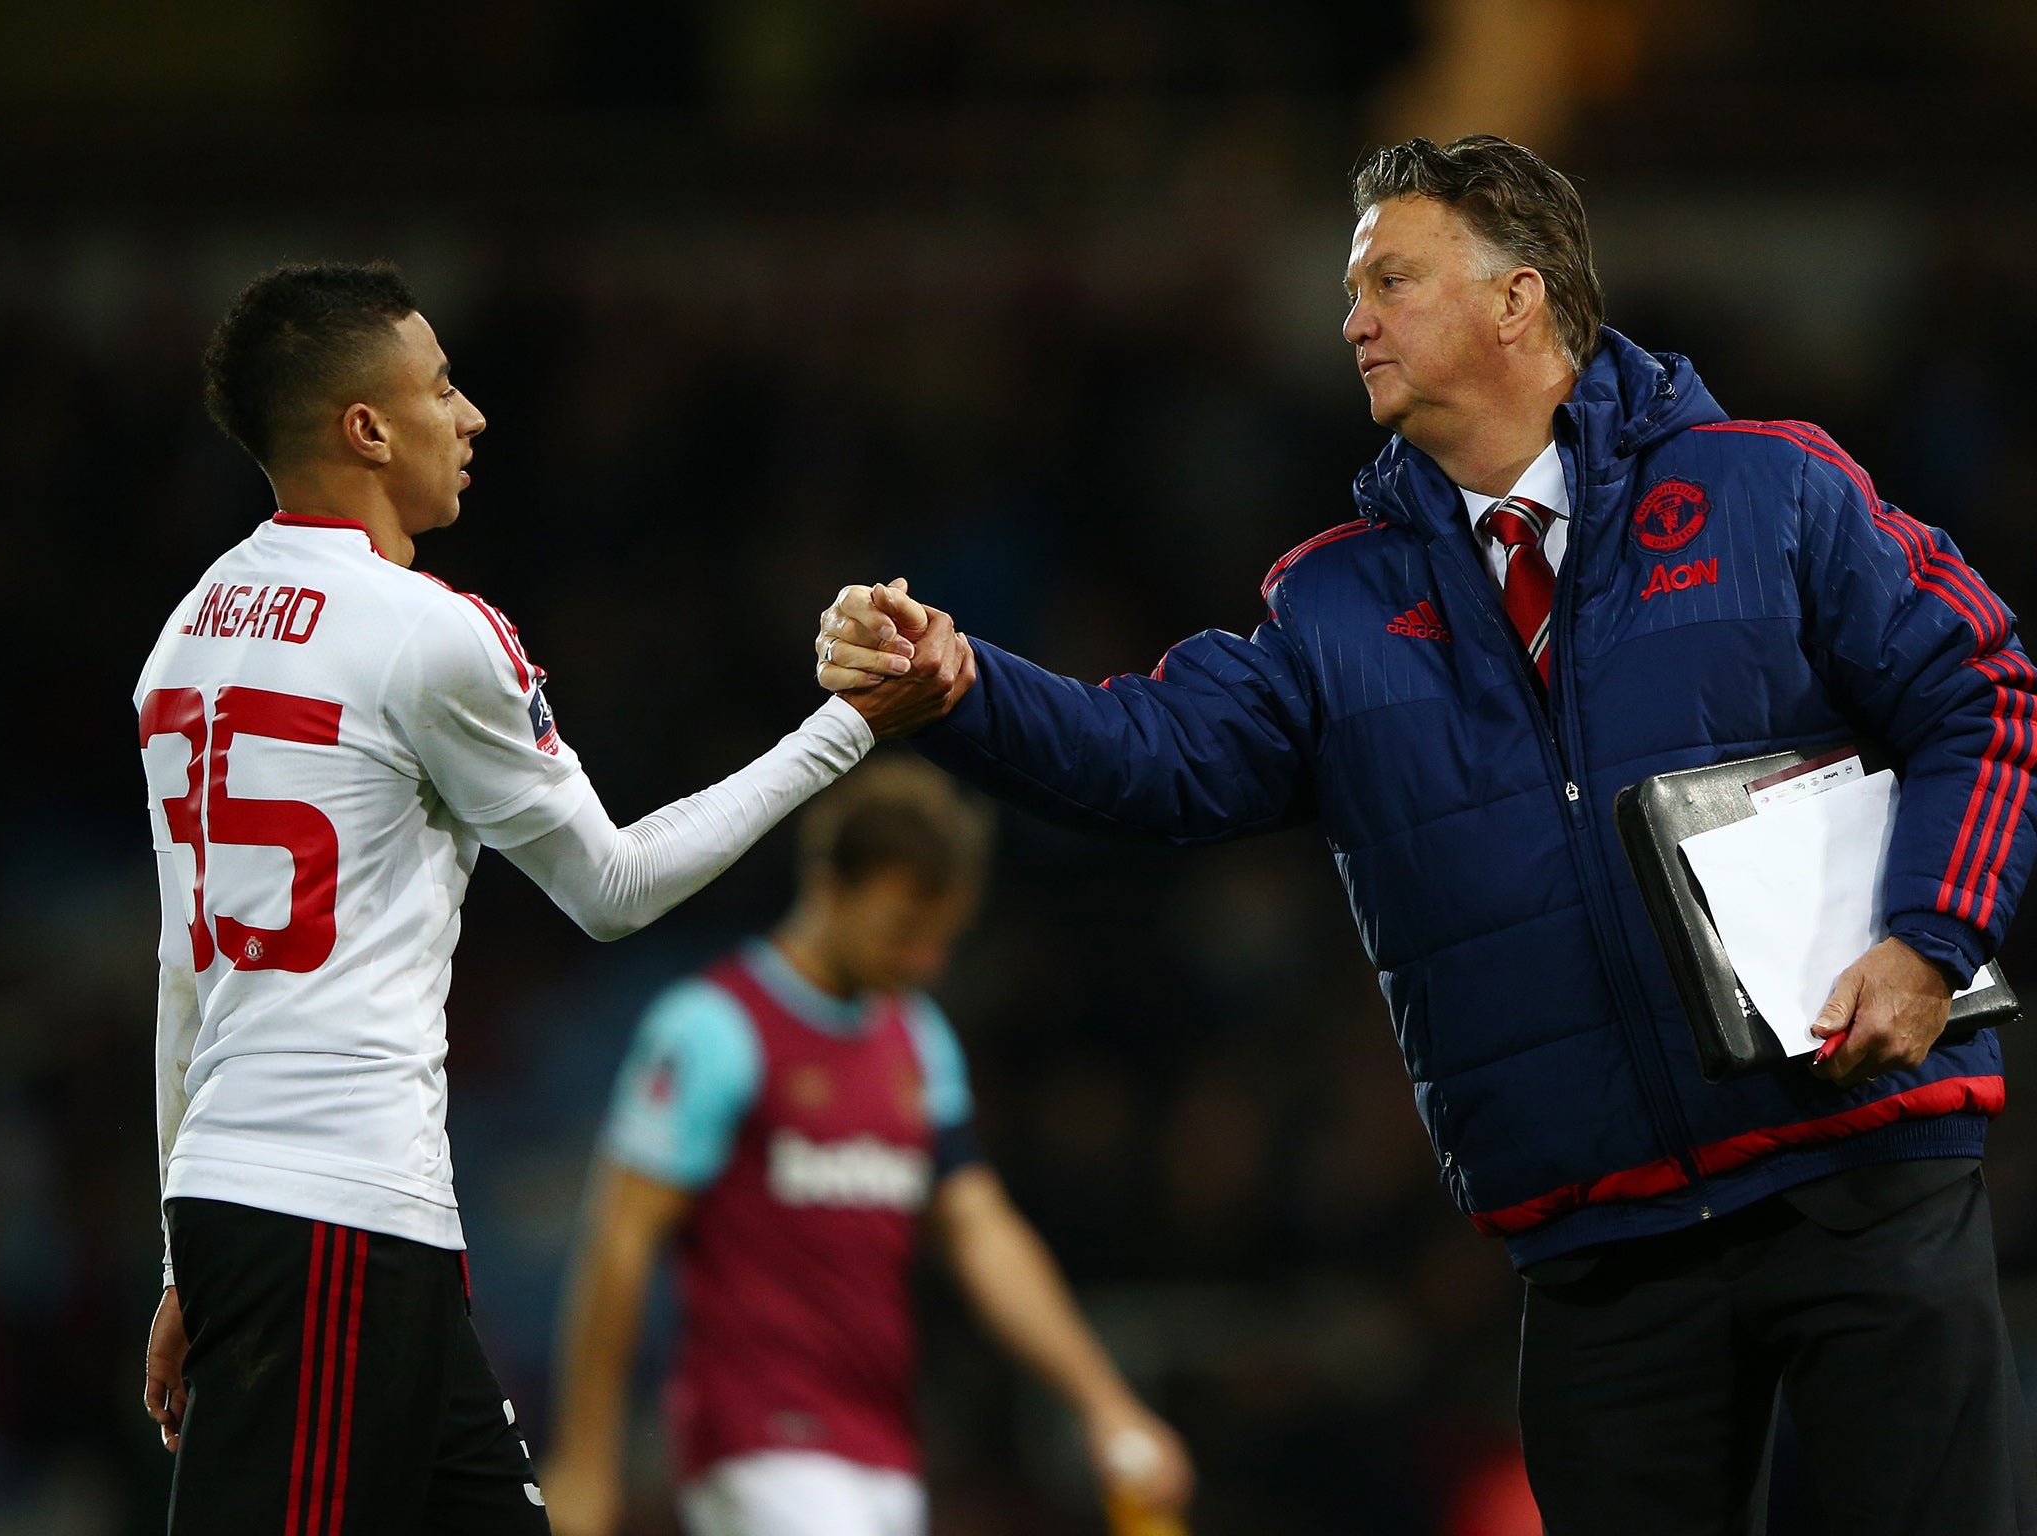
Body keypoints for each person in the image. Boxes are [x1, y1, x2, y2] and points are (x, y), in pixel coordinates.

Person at [814, 137, 2037, 1533]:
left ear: (1518, 299)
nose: (1351, 321)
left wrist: (1931, 943)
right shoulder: (1333, 606)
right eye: (1353, 291)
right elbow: (1150, 758)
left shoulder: (1774, 490)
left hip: (1861, 1172)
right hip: (1604, 1242)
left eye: (1390, 279)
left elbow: (1983, 694)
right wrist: (964, 688)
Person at [134, 261, 964, 1536]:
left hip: (281, 1204)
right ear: (365, 428)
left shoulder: (183, 639)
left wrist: (194, 1249)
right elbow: (613, 886)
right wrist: (848, 727)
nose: (468, 418)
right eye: (441, 388)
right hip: (334, 1204)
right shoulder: (424, 631)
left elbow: (186, 982)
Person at [538, 757, 1193, 1536]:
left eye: (940, 939)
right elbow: (620, 1239)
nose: (923, 962)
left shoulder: (916, 1039)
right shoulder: (713, 1027)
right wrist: (584, 1458)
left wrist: (1105, 1403)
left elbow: (984, 1235)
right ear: (830, 888)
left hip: (881, 1447)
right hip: (758, 1443)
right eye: (902, 932)